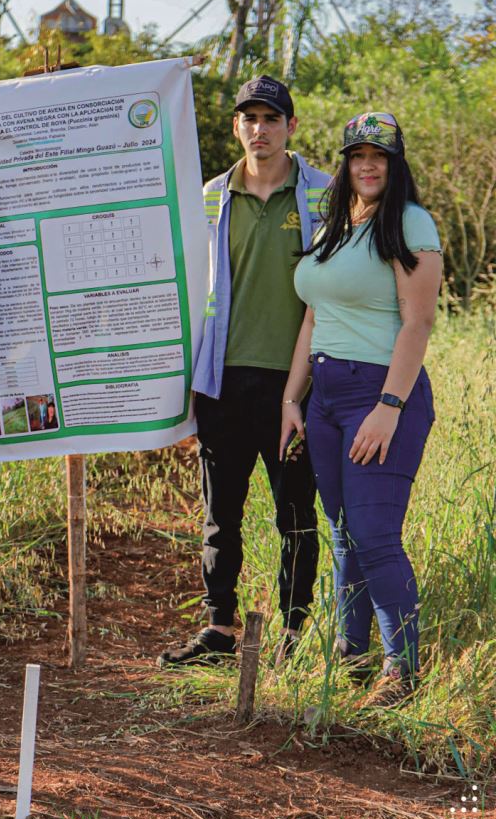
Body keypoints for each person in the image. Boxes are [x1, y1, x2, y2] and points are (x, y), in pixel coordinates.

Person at [158, 76, 330, 667]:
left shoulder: (325, 197)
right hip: (224, 382)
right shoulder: (207, 196)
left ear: (291, 127)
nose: (260, 129)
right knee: (219, 513)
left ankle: (294, 636)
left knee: (295, 518)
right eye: (249, 118)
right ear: (236, 126)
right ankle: (219, 630)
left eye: (271, 119)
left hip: (296, 388)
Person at [280, 112, 442, 705]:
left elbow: (418, 322)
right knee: (344, 535)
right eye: (356, 155)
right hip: (324, 398)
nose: (367, 165)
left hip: (381, 394)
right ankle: (351, 661)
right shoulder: (333, 226)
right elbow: (314, 317)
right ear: (345, 163)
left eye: (379, 156)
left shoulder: (410, 223)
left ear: (394, 164)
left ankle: (402, 675)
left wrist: (389, 406)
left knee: (375, 535)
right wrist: (291, 399)